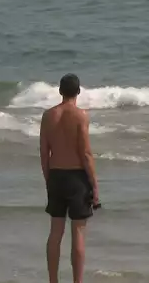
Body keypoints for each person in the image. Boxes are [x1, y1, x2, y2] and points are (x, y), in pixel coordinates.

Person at [39, 73, 99, 283]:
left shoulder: (48, 116)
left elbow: (44, 153)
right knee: (78, 233)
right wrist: (95, 185)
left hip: (56, 176)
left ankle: (53, 281)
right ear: (79, 91)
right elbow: (85, 154)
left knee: (55, 232)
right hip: (77, 179)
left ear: (60, 91)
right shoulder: (81, 116)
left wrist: (49, 179)